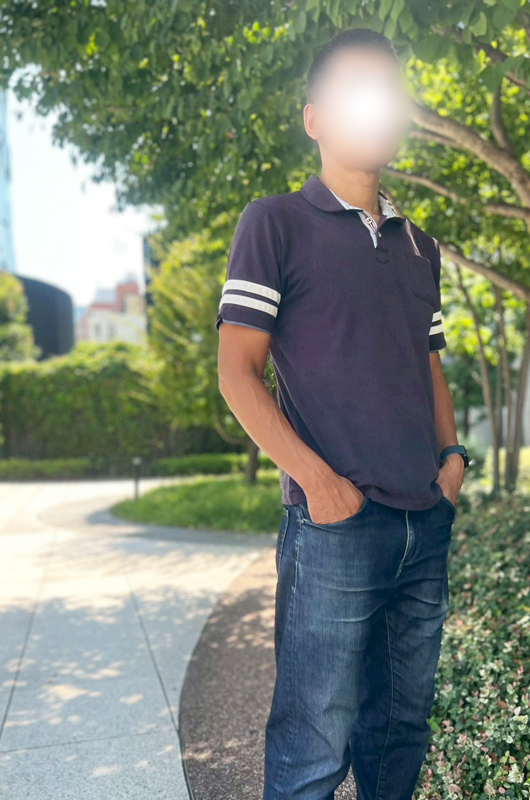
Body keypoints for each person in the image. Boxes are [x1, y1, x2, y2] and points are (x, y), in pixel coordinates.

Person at [215, 26, 469, 800]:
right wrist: (317, 483)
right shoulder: (274, 223)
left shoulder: (421, 246)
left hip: (423, 524)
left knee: (400, 736)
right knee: (312, 749)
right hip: (335, 530)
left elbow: (428, 364)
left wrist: (452, 461)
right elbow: (236, 372)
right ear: (315, 118)